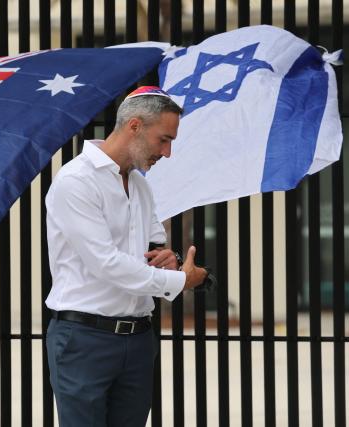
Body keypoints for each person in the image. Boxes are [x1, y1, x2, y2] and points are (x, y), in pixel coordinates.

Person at [44, 86, 209, 427]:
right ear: (134, 126)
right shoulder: (75, 181)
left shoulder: (140, 184)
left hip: (137, 340)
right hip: (85, 339)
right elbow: (106, 264)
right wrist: (180, 280)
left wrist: (170, 259)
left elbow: (152, 248)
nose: (167, 152)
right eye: (163, 140)